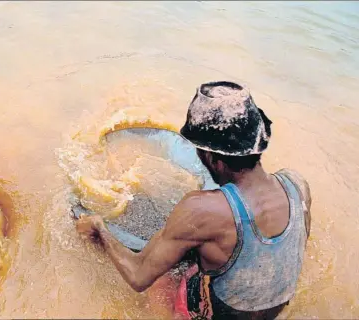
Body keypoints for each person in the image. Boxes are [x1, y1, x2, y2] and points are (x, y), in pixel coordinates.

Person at [76, 81, 312, 319]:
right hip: (274, 310)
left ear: (211, 157)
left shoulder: (201, 210)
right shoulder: (297, 184)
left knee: (163, 277)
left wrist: (100, 231)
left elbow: (138, 276)